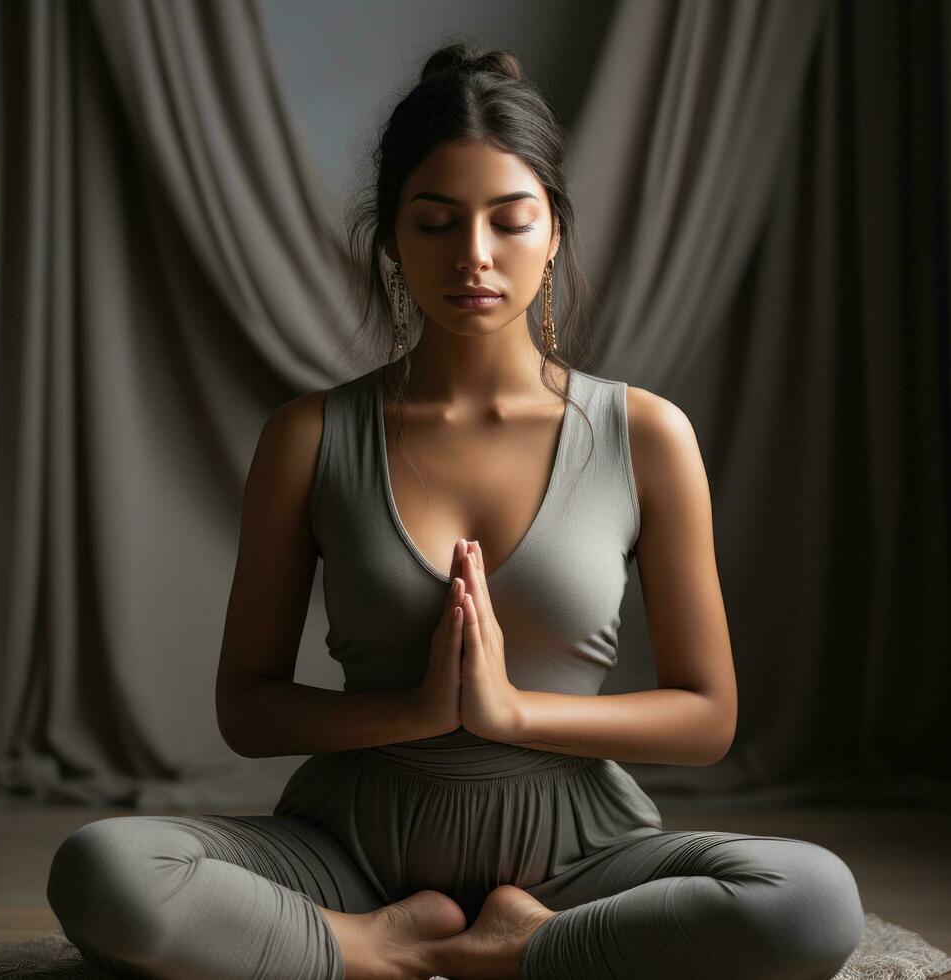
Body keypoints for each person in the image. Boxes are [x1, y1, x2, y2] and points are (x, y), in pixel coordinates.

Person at [46, 42, 865, 980]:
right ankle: (376, 946)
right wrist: (417, 709)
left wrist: (508, 712)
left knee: (812, 900)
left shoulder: (646, 434)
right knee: (105, 868)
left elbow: (706, 716)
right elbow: (249, 709)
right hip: (350, 853)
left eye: (509, 221)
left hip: (581, 859)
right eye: (435, 223)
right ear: (391, 238)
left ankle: (526, 945)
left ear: (552, 230)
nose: (473, 256)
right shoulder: (308, 436)